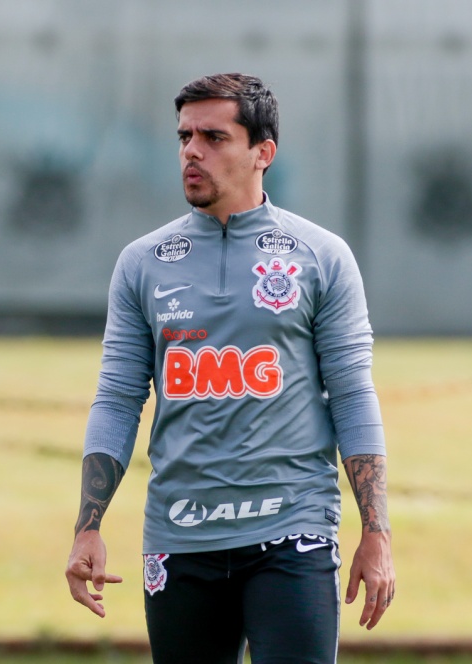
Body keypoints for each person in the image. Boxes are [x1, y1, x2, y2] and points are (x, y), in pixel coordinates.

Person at [64, 73, 395, 663]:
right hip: (179, 534)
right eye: (185, 136)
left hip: (293, 531)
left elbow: (351, 393)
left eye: (213, 137)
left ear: (262, 152)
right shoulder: (142, 262)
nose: (191, 151)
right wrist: (87, 526)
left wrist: (377, 531)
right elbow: (117, 398)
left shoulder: (321, 256)